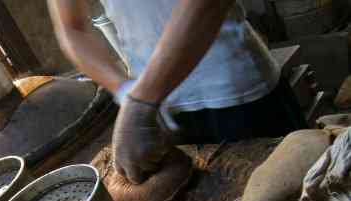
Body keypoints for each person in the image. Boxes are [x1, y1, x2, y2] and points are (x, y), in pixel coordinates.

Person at [47, 0, 306, 184]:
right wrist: (125, 92)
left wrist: (141, 101)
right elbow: (72, 28)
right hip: (161, 115)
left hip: (237, 94)